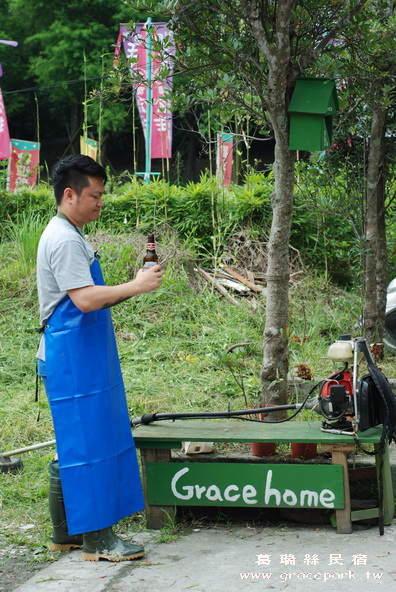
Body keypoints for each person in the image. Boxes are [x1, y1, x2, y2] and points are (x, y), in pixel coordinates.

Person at [36, 154, 163, 562]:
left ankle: (65, 534)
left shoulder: (69, 232)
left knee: (72, 445)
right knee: (88, 444)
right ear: (69, 194)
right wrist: (138, 285)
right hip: (73, 357)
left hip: (81, 353)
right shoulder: (64, 239)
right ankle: (98, 540)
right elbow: (86, 299)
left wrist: (131, 286)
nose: (100, 202)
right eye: (95, 195)